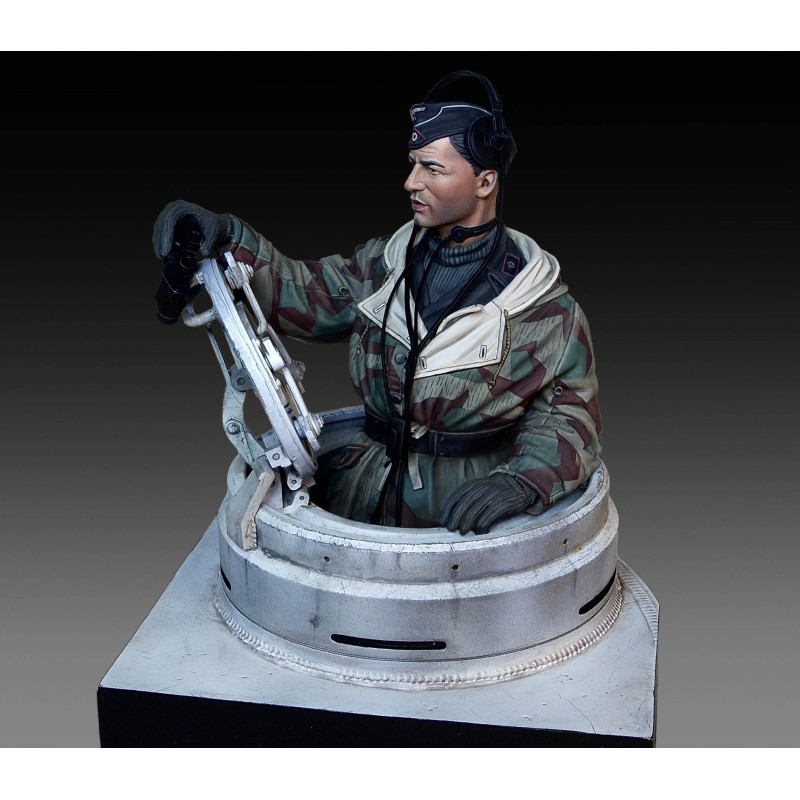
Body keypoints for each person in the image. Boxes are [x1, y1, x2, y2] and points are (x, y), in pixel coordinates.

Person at [152, 70, 602, 535]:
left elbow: (569, 413)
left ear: (485, 182)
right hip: (365, 488)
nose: (411, 182)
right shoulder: (384, 265)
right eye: (412, 164)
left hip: (462, 513)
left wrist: (523, 480)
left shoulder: (541, 308)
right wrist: (229, 237)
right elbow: (309, 295)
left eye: (432, 169)